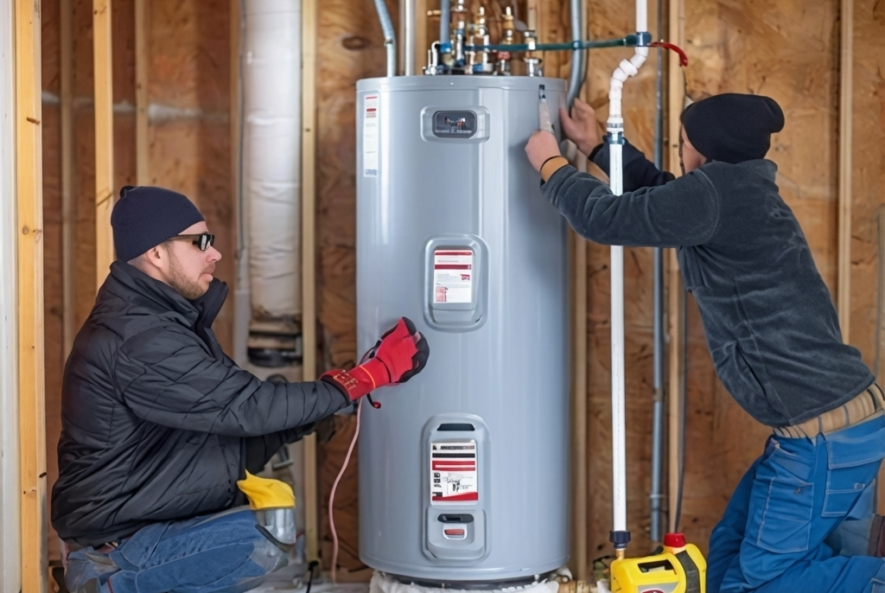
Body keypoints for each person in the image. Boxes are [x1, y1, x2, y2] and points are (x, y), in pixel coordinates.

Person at [525, 93, 885, 592]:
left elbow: (605, 219)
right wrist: (600, 147)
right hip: (842, 425)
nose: (679, 149)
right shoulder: (739, 190)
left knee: (761, 583)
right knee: (731, 555)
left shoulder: (716, 195)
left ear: (702, 149)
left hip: (821, 437)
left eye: (683, 141)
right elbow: (661, 198)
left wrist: (551, 164)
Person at [52, 185, 430, 593]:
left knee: (265, 529)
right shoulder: (138, 336)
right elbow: (248, 408)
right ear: (156, 253)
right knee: (255, 541)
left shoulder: (165, 322)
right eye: (199, 242)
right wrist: (363, 379)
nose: (214, 253)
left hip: (140, 517)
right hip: (121, 535)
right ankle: (109, 581)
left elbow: (229, 436)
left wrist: (323, 406)